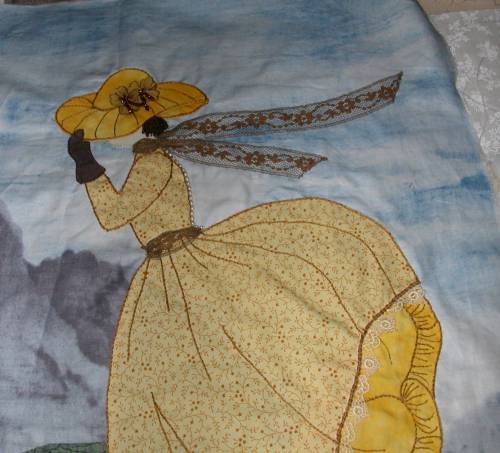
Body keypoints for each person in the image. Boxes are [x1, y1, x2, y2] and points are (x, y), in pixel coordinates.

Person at [60, 68, 442, 452]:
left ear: (131, 126)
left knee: (231, 352)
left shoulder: (153, 164)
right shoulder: (153, 159)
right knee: (197, 364)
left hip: (180, 267)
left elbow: (113, 215)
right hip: (165, 269)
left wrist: (86, 165)